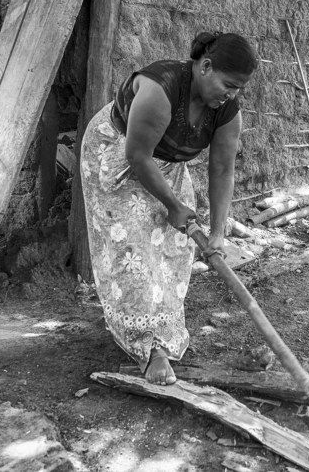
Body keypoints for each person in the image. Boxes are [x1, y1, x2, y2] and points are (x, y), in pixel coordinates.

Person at [80, 32, 258, 385]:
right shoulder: (159, 89)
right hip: (116, 156)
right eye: (228, 85)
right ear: (205, 66)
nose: (231, 95)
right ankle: (149, 349)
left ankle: (163, 329)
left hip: (167, 166)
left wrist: (219, 232)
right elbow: (137, 156)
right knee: (132, 247)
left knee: (174, 250)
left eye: (239, 89)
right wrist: (174, 205)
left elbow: (222, 169)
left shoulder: (226, 112)